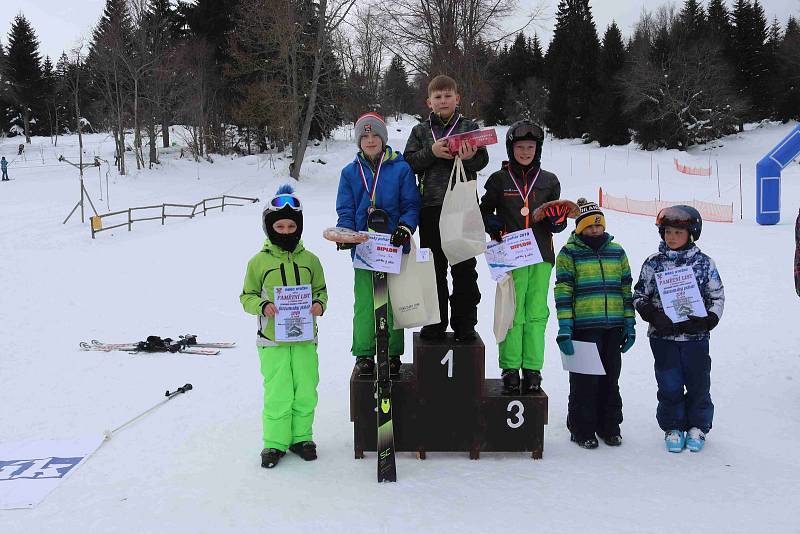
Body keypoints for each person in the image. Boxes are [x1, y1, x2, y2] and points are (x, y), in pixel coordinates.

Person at [240, 185, 328, 469]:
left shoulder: (310, 260)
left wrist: (319, 304)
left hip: (304, 339)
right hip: (272, 341)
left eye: (292, 225)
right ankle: (275, 443)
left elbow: (321, 290)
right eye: (280, 225)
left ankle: (301, 438)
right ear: (269, 227)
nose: (286, 230)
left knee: (305, 389)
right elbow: (247, 295)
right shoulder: (259, 262)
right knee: (279, 391)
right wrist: (262, 306)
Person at [479, 120, 569, 394]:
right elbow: (483, 211)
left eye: (531, 147)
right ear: (511, 148)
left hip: (541, 255)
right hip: (510, 255)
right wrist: (490, 222)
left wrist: (557, 223)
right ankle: (509, 367)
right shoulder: (499, 179)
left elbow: (559, 219)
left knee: (536, 313)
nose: (526, 152)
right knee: (512, 312)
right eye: (520, 147)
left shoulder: (549, 180)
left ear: (538, 149)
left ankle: (532, 368)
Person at [403, 75, 489, 342]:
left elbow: (483, 160)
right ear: (429, 102)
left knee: (464, 267)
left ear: (457, 99)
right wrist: (432, 152)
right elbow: (409, 164)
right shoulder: (420, 131)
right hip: (430, 208)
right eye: (437, 97)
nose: (443, 101)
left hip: (462, 208)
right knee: (433, 268)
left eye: (447, 96)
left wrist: (470, 156)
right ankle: (435, 322)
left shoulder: (469, 127)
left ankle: (465, 323)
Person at [633, 205, 724, 453]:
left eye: (677, 232)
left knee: (698, 382)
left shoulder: (704, 264)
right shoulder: (654, 263)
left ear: (691, 233)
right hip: (663, 337)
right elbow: (639, 294)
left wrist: (708, 320)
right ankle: (673, 425)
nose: (671, 237)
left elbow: (716, 296)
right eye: (667, 232)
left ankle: (698, 425)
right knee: (669, 382)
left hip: (695, 337)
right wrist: (652, 314)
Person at [336, 112, 421, 376]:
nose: (370, 140)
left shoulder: (401, 168)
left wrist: (405, 228)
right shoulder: (350, 173)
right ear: (359, 140)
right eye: (365, 136)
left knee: (392, 301)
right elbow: (346, 209)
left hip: (392, 246)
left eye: (375, 135)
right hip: (364, 248)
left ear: (383, 138)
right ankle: (364, 352)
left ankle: (393, 352)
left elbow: (411, 204)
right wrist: (346, 234)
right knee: (365, 302)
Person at [554, 199, 635, 449]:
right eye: (589, 227)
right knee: (585, 382)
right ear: (579, 228)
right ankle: (582, 429)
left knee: (611, 379)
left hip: (613, 327)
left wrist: (630, 325)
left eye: (599, 226)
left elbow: (626, 289)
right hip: (584, 328)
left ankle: (609, 427)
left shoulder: (617, 251)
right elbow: (563, 292)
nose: (595, 231)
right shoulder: (569, 253)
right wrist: (565, 329)